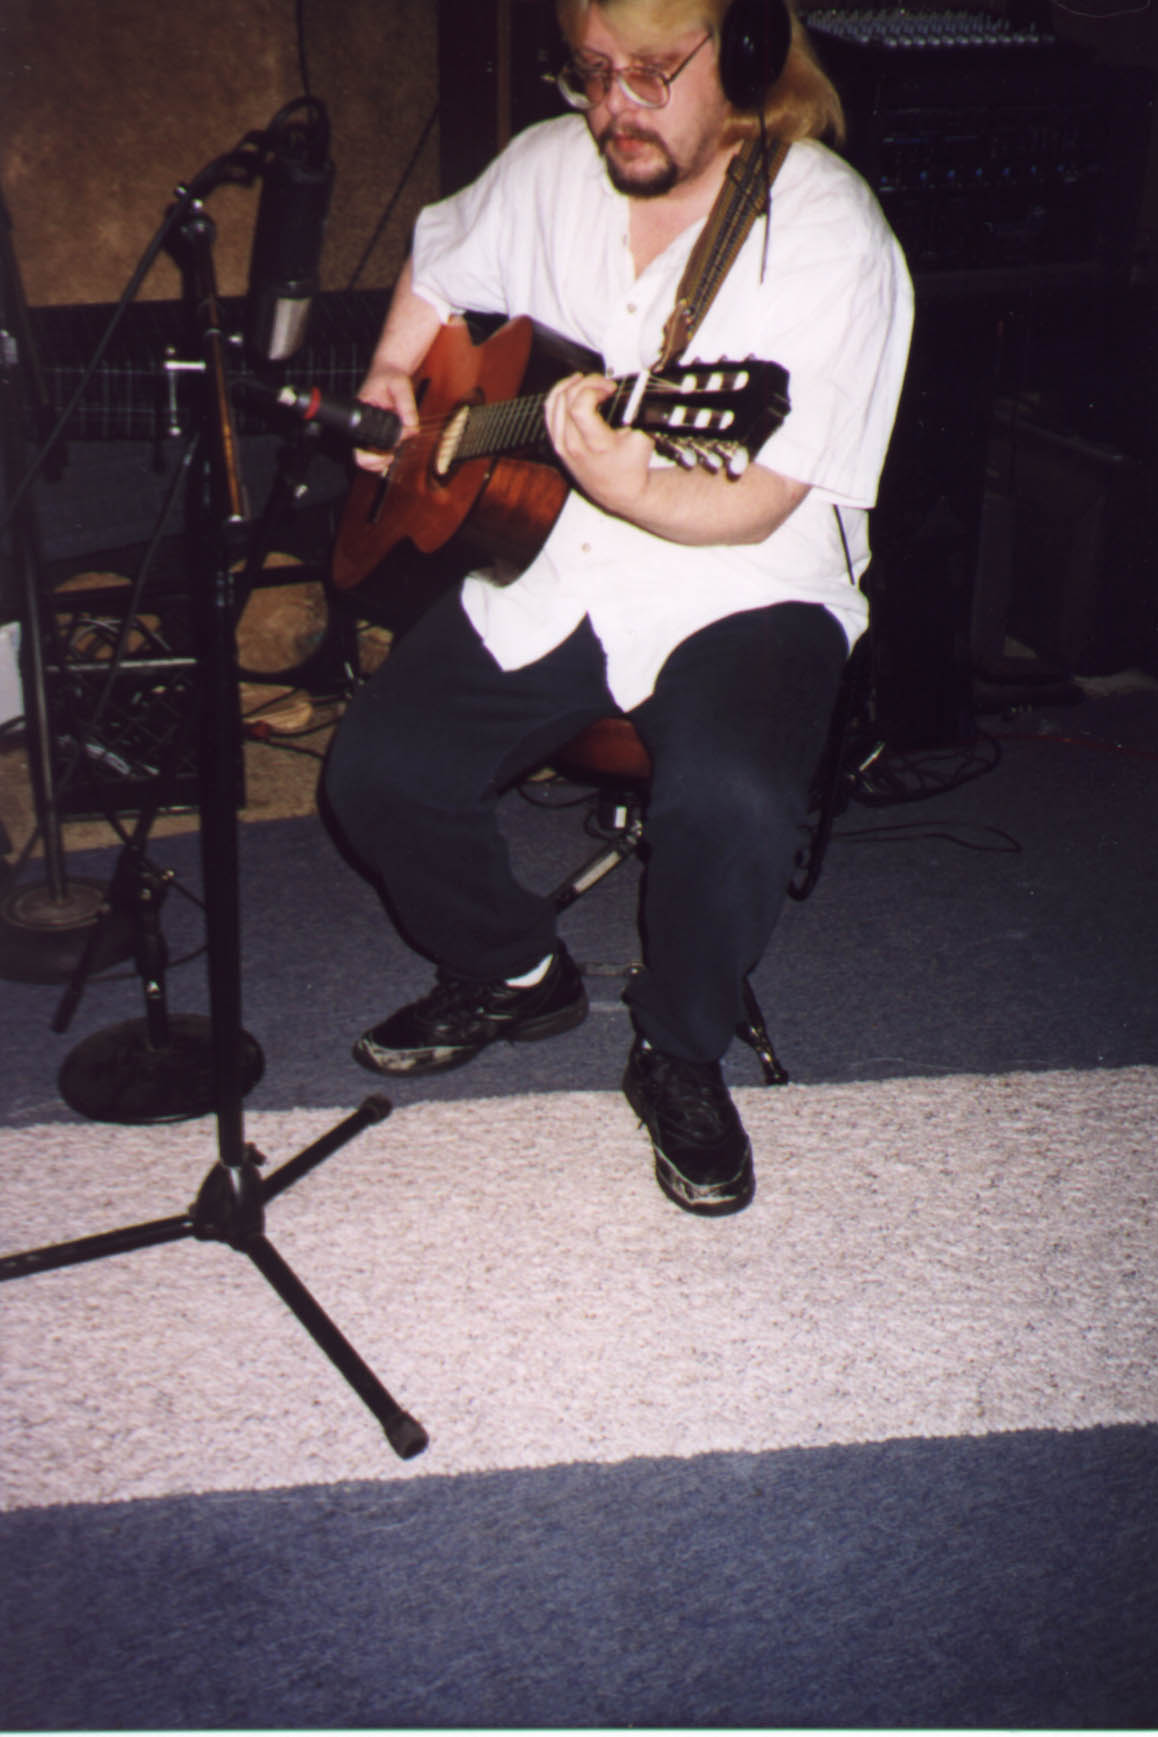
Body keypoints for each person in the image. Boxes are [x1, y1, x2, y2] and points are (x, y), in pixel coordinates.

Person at [324, 0, 913, 1217]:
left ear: (742, 54)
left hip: (753, 574)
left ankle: (679, 1049)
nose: (613, 109)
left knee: (734, 799)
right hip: (564, 551)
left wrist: (633, 479)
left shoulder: (827, 234)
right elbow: (441, 255)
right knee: (376, 773)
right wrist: (391, 367)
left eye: (649, 72)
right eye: (591, 72)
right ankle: (514, 970)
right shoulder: (552, 166)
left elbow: (761, 498)